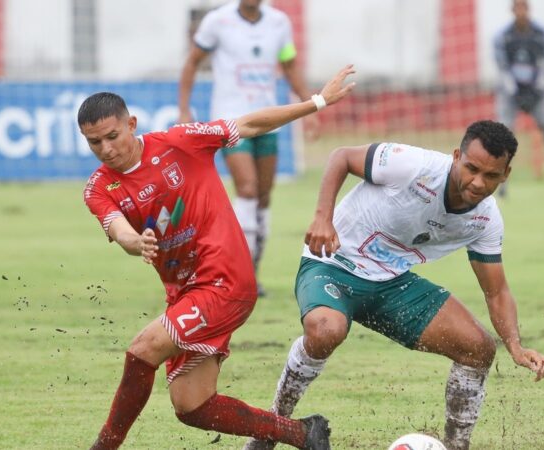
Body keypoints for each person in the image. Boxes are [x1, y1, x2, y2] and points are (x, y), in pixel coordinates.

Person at [80, 65, 356, 449]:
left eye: (112, 136)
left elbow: (249, 125)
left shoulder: (179, 142)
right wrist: (134, 240)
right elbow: (117, 228)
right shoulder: (98, 187)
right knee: (191, 404)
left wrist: (317, 101)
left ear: (131, 123)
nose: (107, 149)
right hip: (185, 293)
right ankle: (303, 434)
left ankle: (104, 446)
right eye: (95, 143)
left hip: (225, 279)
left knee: (143, 349)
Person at [244, 120, 544, 450]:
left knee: (479, 349)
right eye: (471, 168)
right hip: (331, 263)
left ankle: (456, 446)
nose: (478, 182)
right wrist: (323, 218)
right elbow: (341, 157)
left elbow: (497, 291)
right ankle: (269, 431)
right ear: (457, 156)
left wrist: (515, 346)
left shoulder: (485, 220)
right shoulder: (413, 164)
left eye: (491, 176)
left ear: (505, 175)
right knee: (325, 330)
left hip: (390, 283)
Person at [178, 0, 316, 296]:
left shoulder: (279, 22)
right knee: (248, 189)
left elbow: (289, 64)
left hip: (268, 121)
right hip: (231, 122)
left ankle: (253, 271)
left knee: (264, 196)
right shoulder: (217, 21)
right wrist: (184, 109)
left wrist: (308, 105)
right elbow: (192, 62)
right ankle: (241, 275)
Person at [494, 0, 544, 199]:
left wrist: (539, 85)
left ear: (529, 9)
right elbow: (502, 67)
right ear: (512, 10)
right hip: (511, 94)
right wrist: (512, 87)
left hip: (537, 94)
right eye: (517, 7)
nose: (521, 11)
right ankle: (500, 187)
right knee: (502, 138)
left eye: (524, 7)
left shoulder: (542, 34)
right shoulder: (503, 37)